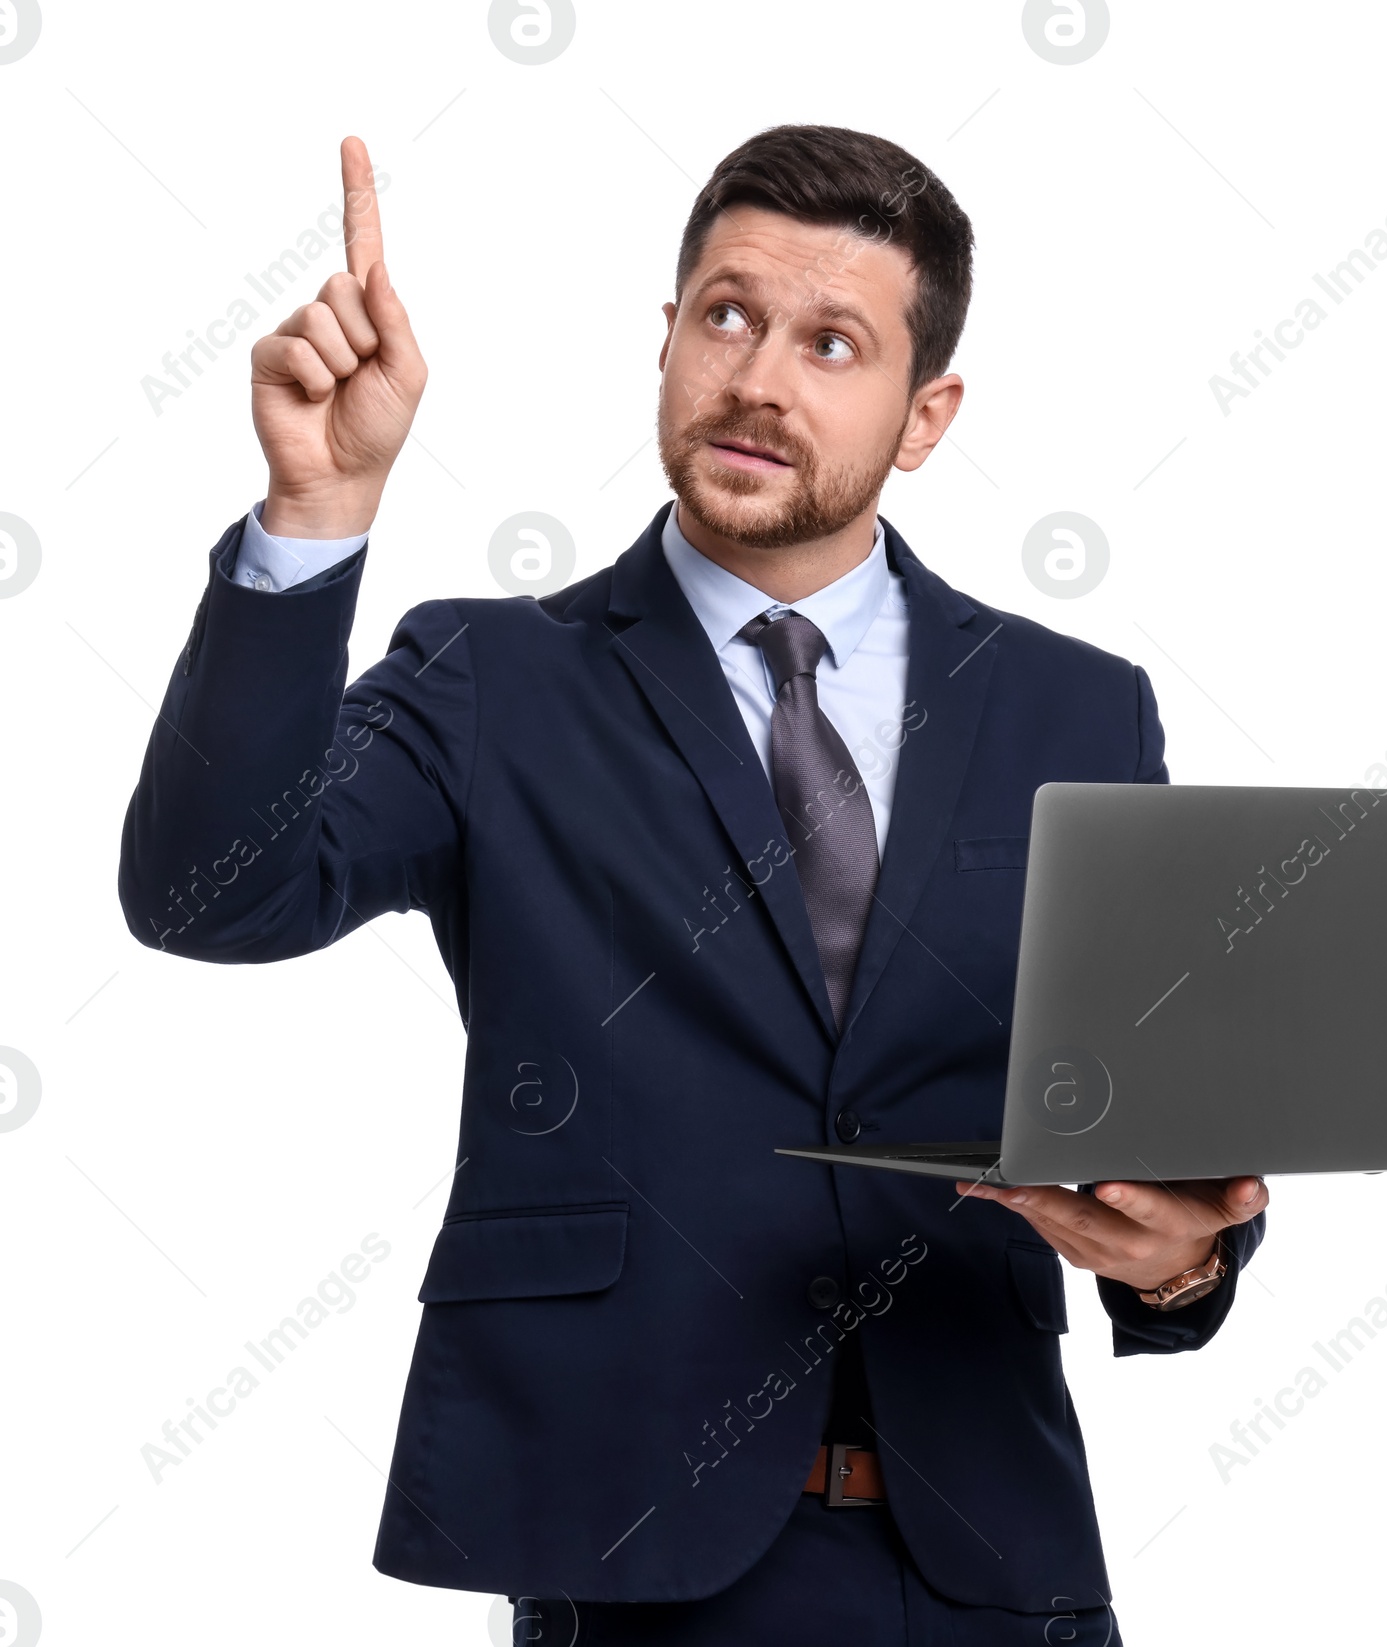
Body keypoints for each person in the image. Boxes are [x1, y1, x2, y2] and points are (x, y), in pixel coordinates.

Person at [119, 126, 1267, 1644]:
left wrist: (1185, 1260)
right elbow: (211, 892)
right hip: (638, 1560)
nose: (759, 379)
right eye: (726, 317)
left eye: (831, 342)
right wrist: (317, 515)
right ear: (664, 341)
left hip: (992, 1557)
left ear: (926, 417)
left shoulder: (1077, 710)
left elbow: (1157, 1129)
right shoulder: (492, 680)